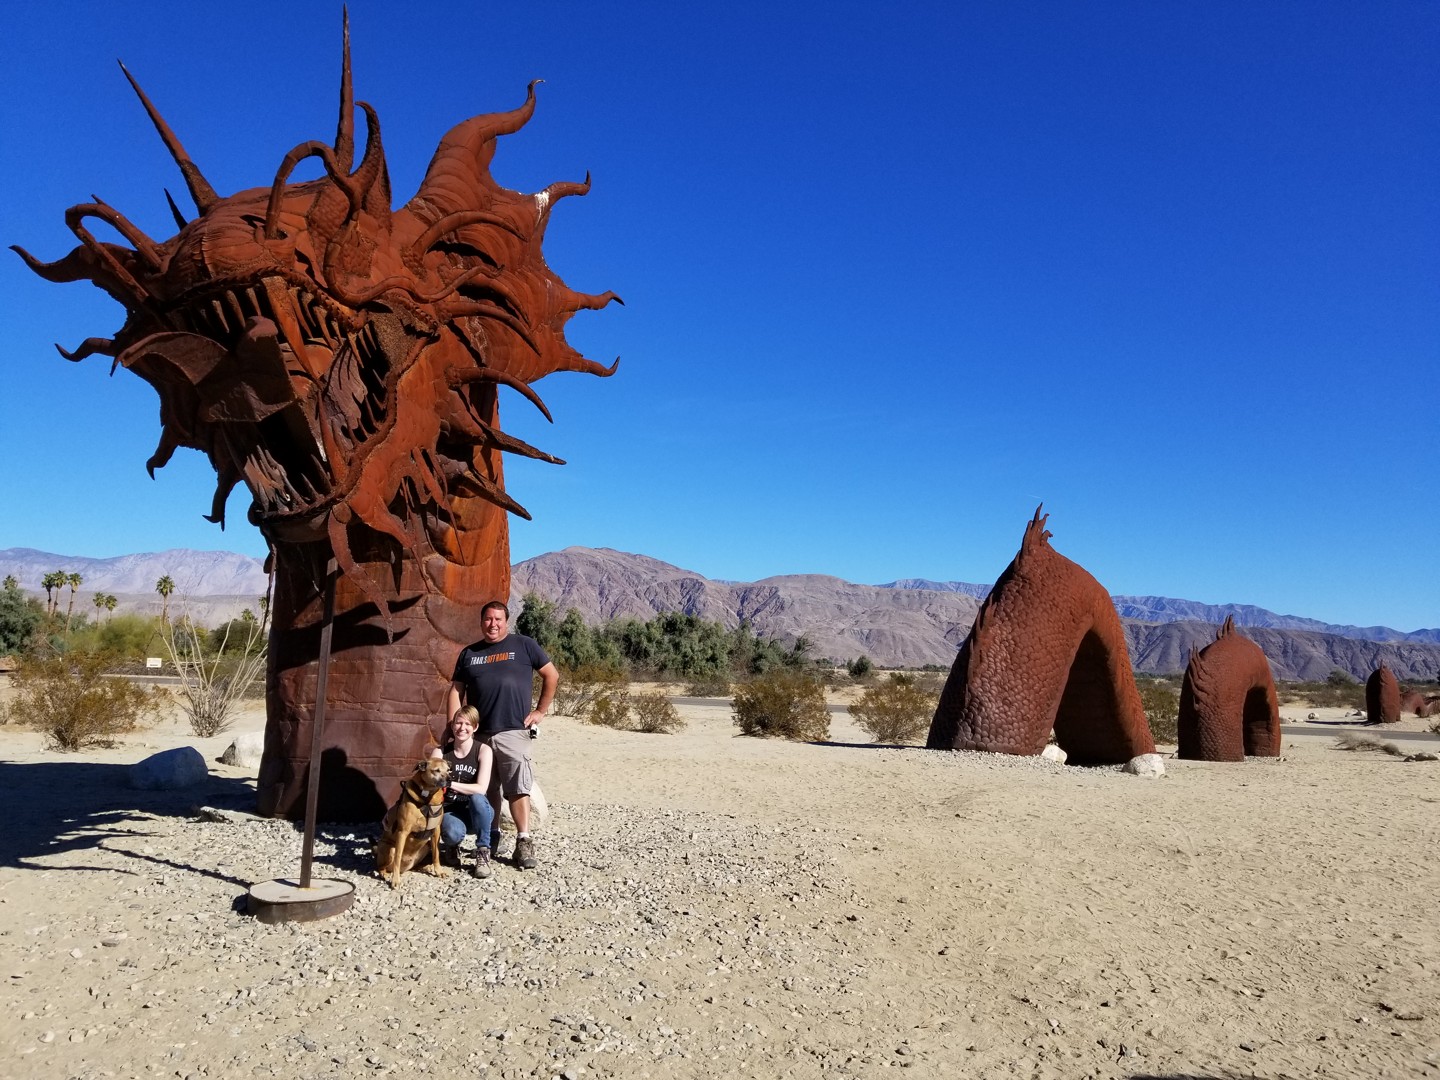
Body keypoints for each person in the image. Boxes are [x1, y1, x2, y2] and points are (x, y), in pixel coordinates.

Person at [447, 600, 558, 870]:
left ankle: (523, 840)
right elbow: (455, 691)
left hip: (512, 731)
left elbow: (551, 675)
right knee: (487, 790)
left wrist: (540, 711)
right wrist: (455, 724)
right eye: (487, 619)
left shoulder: (523, 645)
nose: (492, 624)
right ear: (481, 621)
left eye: (498, 619)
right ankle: (491, 837)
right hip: (480, 734)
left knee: (518, 787)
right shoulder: (469, 653)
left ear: (506, 621)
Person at [435, 706, 495, 879]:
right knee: (453, 833)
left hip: (477, 812)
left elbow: (481, 788)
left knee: (477, 797)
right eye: (458, 723)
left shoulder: (483, 750)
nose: (462, 728)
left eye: (468, 724)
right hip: (450, 810)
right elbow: (425, 784)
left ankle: (483, 852)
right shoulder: (440, 752)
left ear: (475, 727)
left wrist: (450, 783)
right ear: (452, 726)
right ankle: (452, 846)